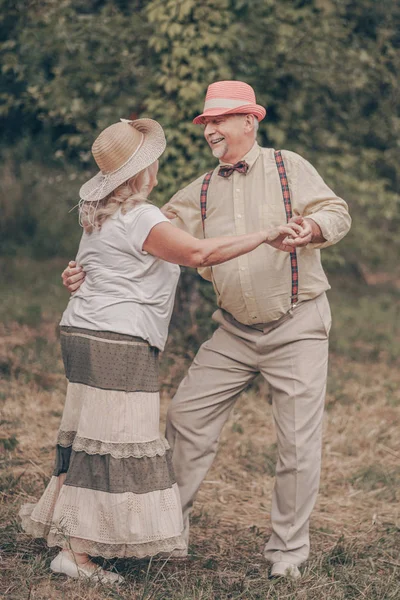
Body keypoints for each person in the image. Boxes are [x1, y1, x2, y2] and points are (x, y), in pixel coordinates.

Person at [63, 80, 351, 580]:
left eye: (220, 120)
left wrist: (315, 229)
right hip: (233, 332)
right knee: (186, 421)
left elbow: (337, 211)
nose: (210, 130)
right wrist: (84, 268)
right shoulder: (197, 189)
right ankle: (167, 533)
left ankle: (287, 555)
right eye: (205, 123)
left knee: (298, 446)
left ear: (249, 121)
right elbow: (134, 228)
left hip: (297, 324)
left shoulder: (290, 166)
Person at [21, 116, 303, 584]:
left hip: (83, 333)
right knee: (113, 445)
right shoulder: (144, 217)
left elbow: (86, 269)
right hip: (118, 339)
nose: (157, 166)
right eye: (151, 161)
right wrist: (266, 234)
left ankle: (71, 534)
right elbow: (199, 255)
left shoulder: (100, 214)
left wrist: (73, 276)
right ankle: (77, 552)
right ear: (141, 171)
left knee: (88, 437)